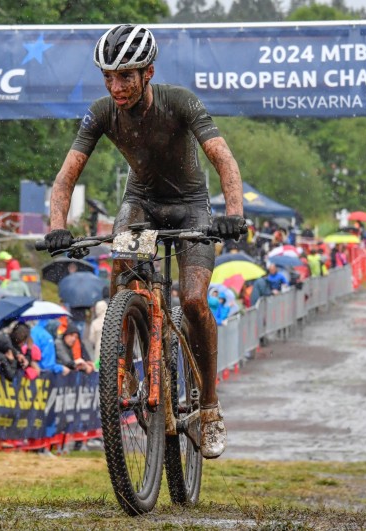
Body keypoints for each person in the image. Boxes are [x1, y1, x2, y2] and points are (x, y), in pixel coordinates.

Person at [42, 24, 245, 459]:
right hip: (141, 203)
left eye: (126, 77)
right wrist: (57, 223)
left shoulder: (180, 102)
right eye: (108, 78)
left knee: (192, 301)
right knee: (122, 262)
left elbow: (224, 159)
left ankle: (209, 407)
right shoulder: (101, 113)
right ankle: (126, 365)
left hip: (191, 205)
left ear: (148, 72)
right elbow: (66, 176)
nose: (116, 87)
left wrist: (234, 215)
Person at [87, 300, 108, 368]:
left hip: (99, 347)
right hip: (112, 345)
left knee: (99, 367)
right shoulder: (110, 320)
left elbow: (91, 339)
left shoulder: (94, 323)